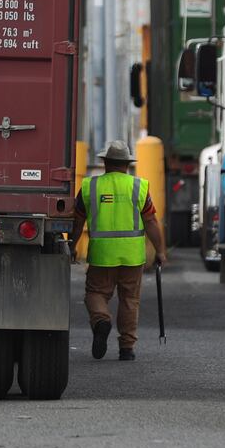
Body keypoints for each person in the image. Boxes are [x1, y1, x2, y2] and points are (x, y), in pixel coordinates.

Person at [70, 140, 167, 362]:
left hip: (101, 256)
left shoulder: (89, 186)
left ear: (105, 162)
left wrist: (72, 246)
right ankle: (126, 348)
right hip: (132, 257)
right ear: (127, 163)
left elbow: (77, 222)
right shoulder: (139, 186)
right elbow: (151, 221)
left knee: (95, 294)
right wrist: (160, 251)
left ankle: (102, 320)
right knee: (130, 299)